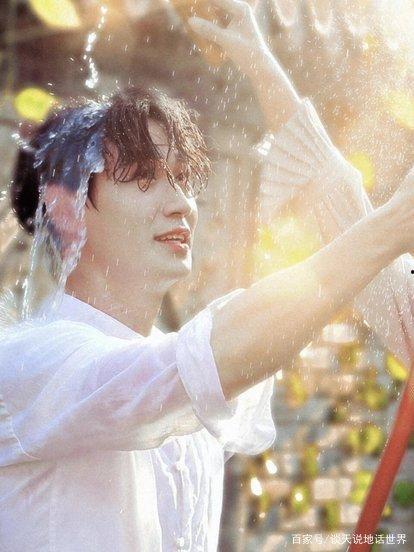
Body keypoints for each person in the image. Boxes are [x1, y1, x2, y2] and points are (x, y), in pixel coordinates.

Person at [1, 1, 414, 551]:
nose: (181, 204)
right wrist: (390, 226)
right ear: (65, 207)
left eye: (183, 179)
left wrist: (260, 62)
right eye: (143, 178)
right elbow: (210, 358)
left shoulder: (187, 403)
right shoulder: (29, 364)